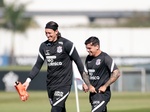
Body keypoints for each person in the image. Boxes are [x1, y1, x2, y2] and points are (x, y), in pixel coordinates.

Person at [23, 21, 94, 112]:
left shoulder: (67, 45)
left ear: (56, 31)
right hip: (51, 84)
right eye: (46, 33)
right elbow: (37, 65)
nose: (48, 35)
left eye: (50, 33)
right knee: (60, 109)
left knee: (55, 109)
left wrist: (87, 82)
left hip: (64, 84)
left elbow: (79, 63)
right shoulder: (43, 46)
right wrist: (28, 81)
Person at [83, 36, 120, 112]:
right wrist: (87, 84)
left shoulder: (105, 58)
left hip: (102, 94)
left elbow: (116, 73)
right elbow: (85, 74)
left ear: (97, 46)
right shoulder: (88, 58)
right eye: (87, 48)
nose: (87, 50)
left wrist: (105, 86)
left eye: (89, 48)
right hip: (93, 95)